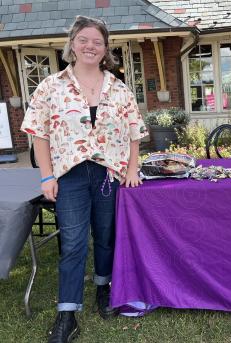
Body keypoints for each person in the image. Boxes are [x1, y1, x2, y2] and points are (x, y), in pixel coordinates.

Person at [21, 16, 148, 343]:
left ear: (105, 49)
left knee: (106, 236)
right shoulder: (51, 86)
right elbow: (39, 134)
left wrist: (132, 168)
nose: (91, 46)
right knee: (75, 242)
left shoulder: (119, 88)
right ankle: (67, 314)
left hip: (109, 174)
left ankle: (103, 291)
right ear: (73, 44)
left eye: (98, 41)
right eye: (84, 40)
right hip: (71, 176)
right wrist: (46, 175)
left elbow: (134, 132)